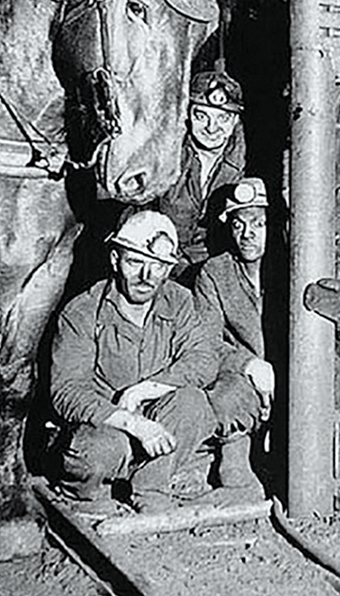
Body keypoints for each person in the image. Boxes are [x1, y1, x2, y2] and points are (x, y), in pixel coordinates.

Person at [49, 210, 218, 514]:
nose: (146, 276)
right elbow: (67, 391)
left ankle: (150, 489)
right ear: (115, 259)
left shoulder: (179, 301)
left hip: (162, 422)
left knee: (194, 403)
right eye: (135, 262)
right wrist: (133, 423)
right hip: (107, 424)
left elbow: (203, 359)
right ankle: (94, 489)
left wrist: (146, 390)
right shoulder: (83, 311)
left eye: (158, 267)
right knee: (92, 457)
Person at [193, 177, 274, 501]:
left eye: (258, 223)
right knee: (224, 396)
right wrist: (248, 364)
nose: (247, 234)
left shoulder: (293, 266)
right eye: (239, 224)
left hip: (298, 376)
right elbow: (205, 341)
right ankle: (236, 471)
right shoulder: (214, 272)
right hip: (246, 380)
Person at [158, 69, 246, 285]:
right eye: (201, 116)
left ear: (235, 120)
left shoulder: (250, 162)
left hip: (216, 274)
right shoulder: (166, 154)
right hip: (159, 262)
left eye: (223, 118)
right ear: (187, 114)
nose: (212, 127)